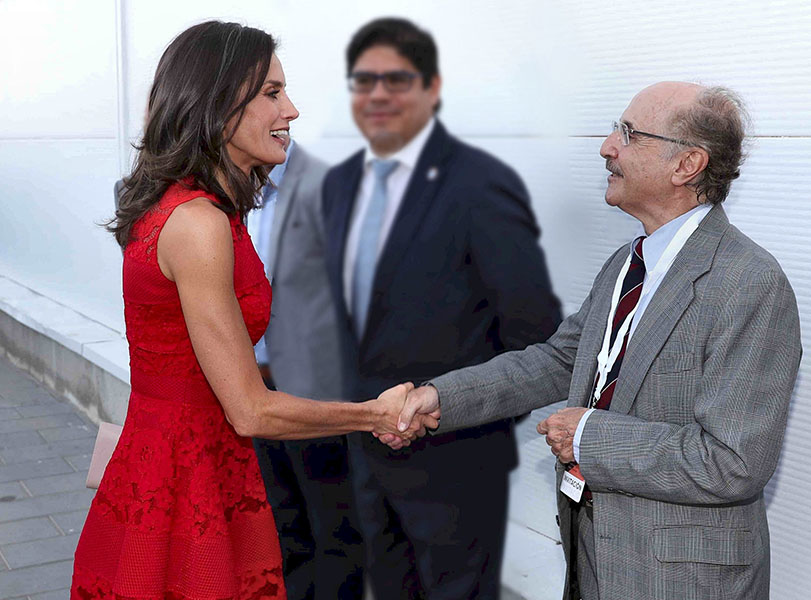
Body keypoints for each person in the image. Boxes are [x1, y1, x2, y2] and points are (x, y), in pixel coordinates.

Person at [391, 82, 802, 600]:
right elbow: (559, 361)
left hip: (680, 581)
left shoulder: (749, 283)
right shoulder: (628, 264)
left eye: (628, 133)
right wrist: (441, 398)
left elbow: (732, 462)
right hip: (594, 561)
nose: (606, 146)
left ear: (687, 165)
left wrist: (590, 438)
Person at [71, 21, 434, 600]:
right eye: (271, 92)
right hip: (186, 477)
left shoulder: (199, 207)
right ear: (217, 104)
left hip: (199, 460)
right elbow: (250, 412)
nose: (291, 108)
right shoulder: (198, 223)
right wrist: (374, 414)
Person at [321, 17, 562, 600]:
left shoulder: (481, 184)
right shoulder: (338, 185)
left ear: (432, 88)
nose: (377, 95)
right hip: (365, 450)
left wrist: (450, 414)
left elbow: (536, 333)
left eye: (396, 79)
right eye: (363, 80)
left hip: (454, 464)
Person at [248, 139, 365, 599]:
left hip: (315, 399)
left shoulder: (330, 187)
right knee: (280, 531)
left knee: (335, 534)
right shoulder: (224, 190)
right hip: (251, 392)